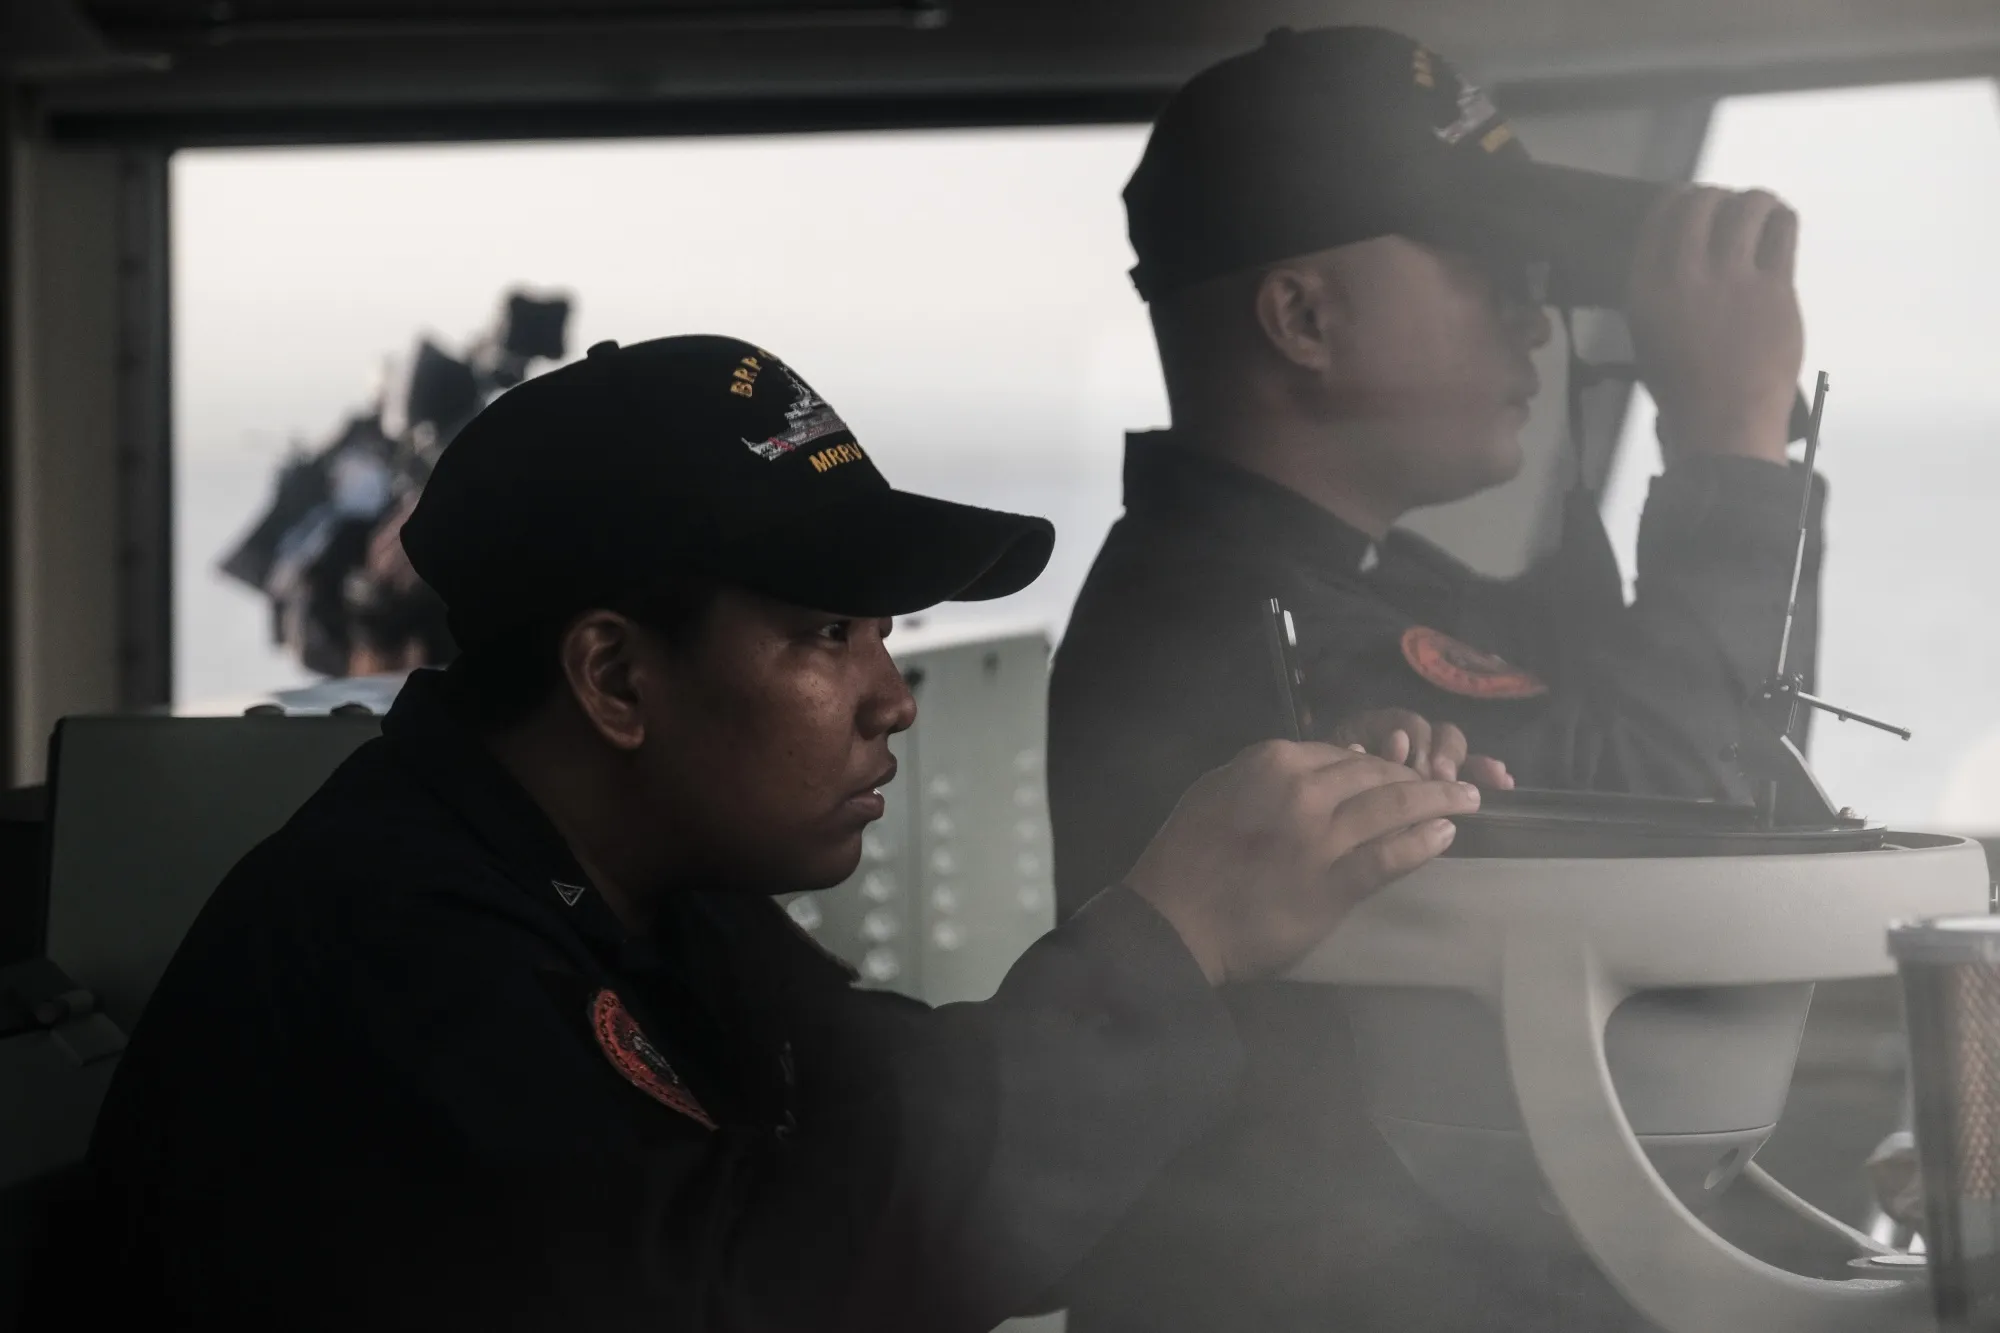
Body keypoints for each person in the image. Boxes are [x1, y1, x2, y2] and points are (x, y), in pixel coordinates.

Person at [64, 335, 1483, 1331]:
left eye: (885, 634)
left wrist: (1295, 875)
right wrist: (1172, 936)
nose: (889, 701)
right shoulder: (392, 957)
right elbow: (769, 1287)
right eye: (823, 634)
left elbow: (893, 1140)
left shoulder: (630, 900)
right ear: (617, 678)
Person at [1047, 24, 1817, 1333]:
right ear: (1302, 316)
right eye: (1477, 262)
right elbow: (1682, 843)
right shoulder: (1223, 629)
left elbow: (1700, 743)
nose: (1528, 312)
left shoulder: (1360, 586)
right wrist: (1728, 453)